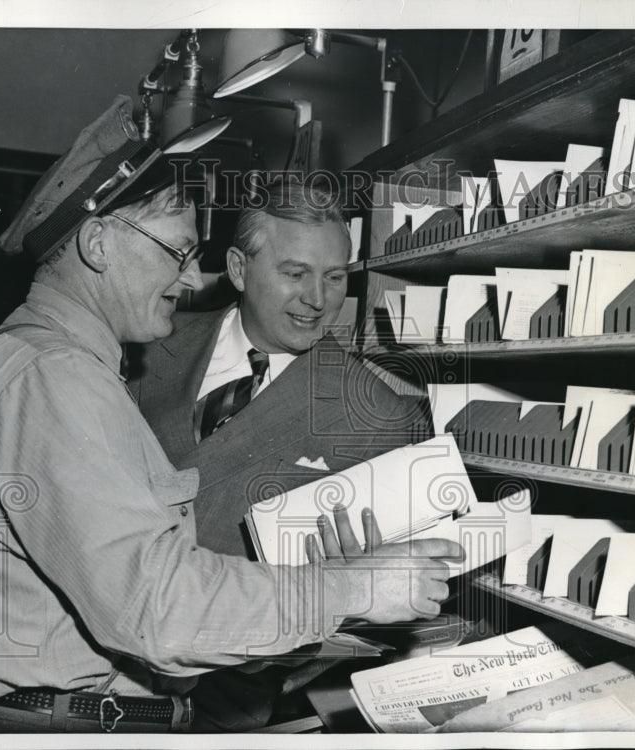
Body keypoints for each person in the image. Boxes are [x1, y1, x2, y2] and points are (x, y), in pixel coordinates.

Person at [0, 95, 462, 734]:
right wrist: (356, 589)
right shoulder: (54, 375)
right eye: (176, 252)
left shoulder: (45, 361)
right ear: (97, 244)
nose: (186, 281)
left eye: (337, 276)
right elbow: (155, 606)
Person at [126, 177, 436, 730]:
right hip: (90, 668)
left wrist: (341, 595)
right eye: (295, 274)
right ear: (240, 270)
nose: (318, 300)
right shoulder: (148, 345)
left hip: (224, 702)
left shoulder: (381, 414)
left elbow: (388, 616)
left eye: (335, 277)